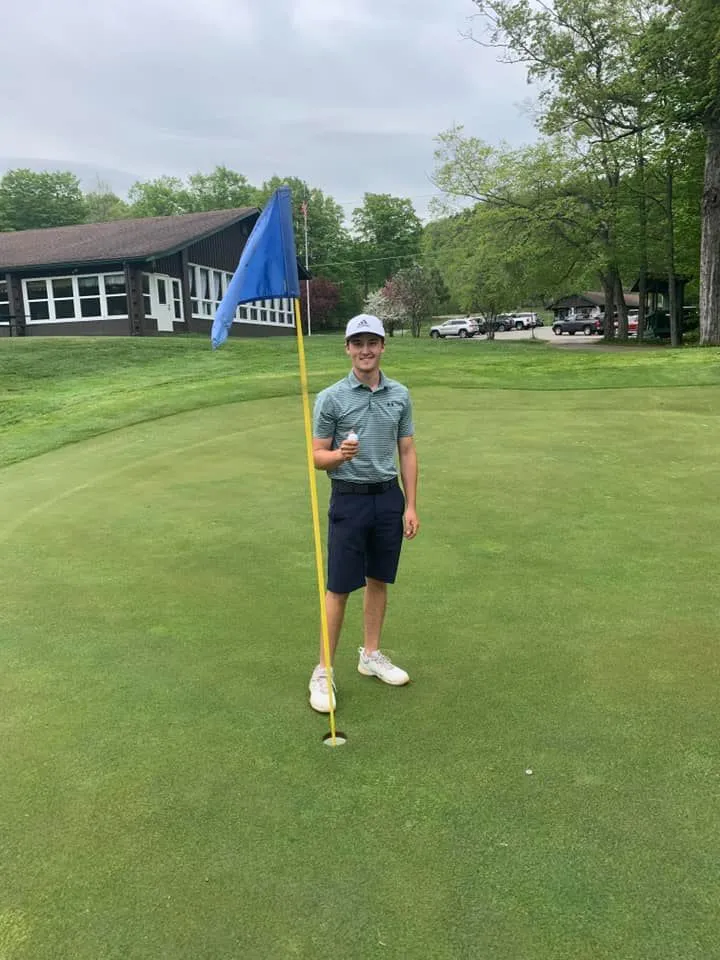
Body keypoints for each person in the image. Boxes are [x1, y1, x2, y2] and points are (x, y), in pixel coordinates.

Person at [308, 314, 420, 713]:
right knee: (338, 587)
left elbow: (406, 450)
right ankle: (323, 670)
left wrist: (409, 504)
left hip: (388, 498)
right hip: (350, 499)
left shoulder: (399, 394)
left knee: (378, 579)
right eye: (358, 343)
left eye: (372, 342)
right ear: (348, 348)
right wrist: (340, 455)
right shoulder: (331, 397)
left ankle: (370, 655)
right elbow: (317, 456)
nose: (366, 350)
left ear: (383, 346)